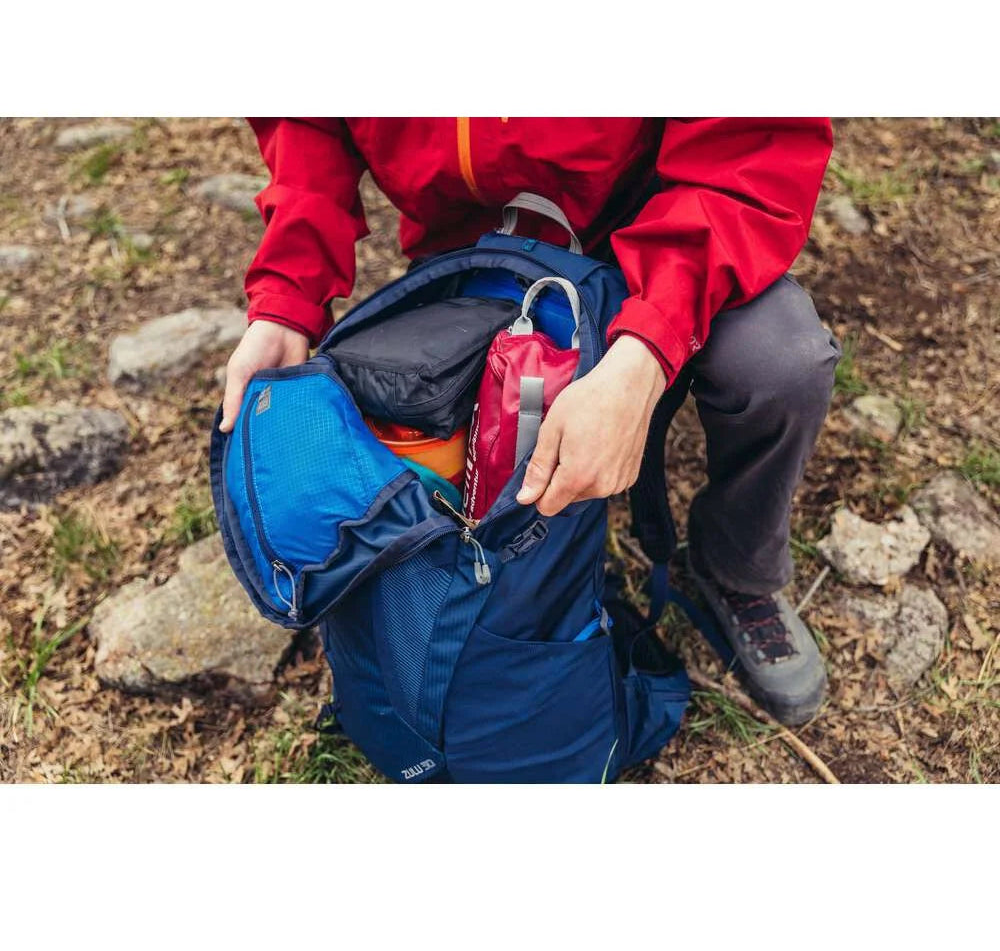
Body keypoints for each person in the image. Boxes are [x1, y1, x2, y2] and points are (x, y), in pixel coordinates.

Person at [221, 118, 841, 726]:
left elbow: (747, 150)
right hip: (470, 251)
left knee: (779, 362)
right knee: (424, 411)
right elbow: (307, 125)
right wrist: (286, 301)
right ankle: (488, 590)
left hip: (657, 230)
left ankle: (737, 569)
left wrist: (648, 352)